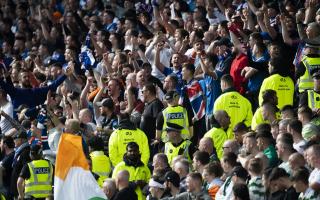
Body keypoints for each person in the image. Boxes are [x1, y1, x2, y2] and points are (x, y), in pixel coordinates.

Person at [180, 63, 206, 143]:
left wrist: (196, 117)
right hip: (186, 119)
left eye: (183, 71)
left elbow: (201, 103)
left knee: (192, 142)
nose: (181, 73)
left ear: (189, 71)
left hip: (194, 120)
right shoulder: (185, 87)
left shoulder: (195, 85)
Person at [10, 132, 31, 199]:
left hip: (21, 192)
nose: (14, 141)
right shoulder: (19, 151)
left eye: (15, 139)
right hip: (17, 190)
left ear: (21, 140)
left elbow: (26, 171)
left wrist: (21, 192)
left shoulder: (26, 151)